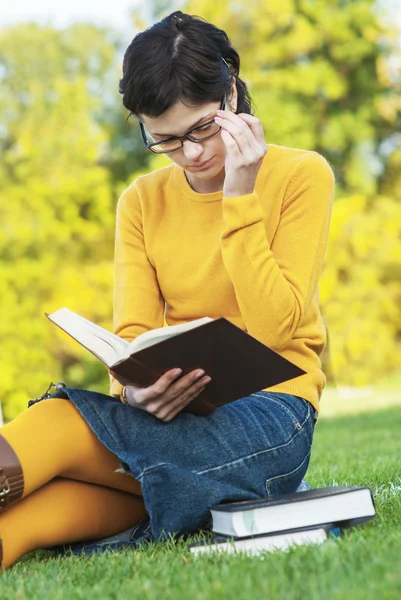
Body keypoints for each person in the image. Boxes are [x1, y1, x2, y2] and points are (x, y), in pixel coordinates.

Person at [0, 11, 334, 570]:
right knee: (30, 516)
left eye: (202, 128)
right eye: (167, 141)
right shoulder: (140, 200)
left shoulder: (301, 176)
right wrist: (134, 394)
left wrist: (240, 197)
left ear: (230, 94)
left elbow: (277, 331)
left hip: (274, 417)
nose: (193, 154)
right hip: (173, 419)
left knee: (57, 424)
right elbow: (129, 335)